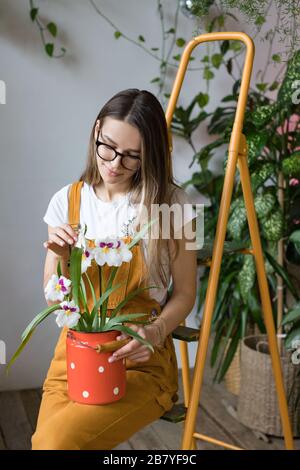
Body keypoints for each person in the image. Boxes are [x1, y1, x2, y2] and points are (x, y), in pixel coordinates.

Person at [31, 88, 197, 450]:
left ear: (149, 156)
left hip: (140, 360)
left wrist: (153, 333)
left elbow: (185, 293)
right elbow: (53, 294)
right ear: (95, 131)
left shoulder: (170, 205)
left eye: (132, 156)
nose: (114, 164)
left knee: (55, 443)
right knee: (46, 442)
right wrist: (59, 256)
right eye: (107, 147)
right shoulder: (67, 200)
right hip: (72, 357)